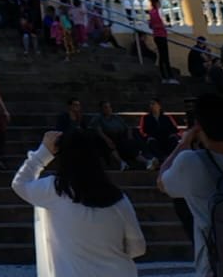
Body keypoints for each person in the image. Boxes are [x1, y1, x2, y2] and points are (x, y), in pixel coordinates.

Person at [12, 127, 145, 276]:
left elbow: (20, 183)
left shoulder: (53, 190)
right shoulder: (119, 199)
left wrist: (43, 153)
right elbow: (138, 248)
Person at [158, 91, 223, 277]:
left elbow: (161, 182)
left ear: (198, 127)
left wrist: (183, 143)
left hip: (213, 268)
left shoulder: (189, 163)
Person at [87, 100, 143, 170]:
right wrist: (107, 140)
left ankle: (147, 161)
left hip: (120, 137)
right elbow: (99, 131)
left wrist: (129, 137)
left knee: (130, 141)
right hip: (107, 138)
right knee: (108, 143)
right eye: (106, 107)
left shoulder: (116, 118)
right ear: (101, 109)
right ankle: (122, 163)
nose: (109, 109)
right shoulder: (98, 118)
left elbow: (127, 127)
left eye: (110, 107)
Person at [138, 99, 180, 165]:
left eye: (153, 104)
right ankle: (162, 158)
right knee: (151, 142)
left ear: (159, 106)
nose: (151, 106)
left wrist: (172, 134)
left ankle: (171, 158)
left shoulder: (166, 117)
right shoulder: (146, 118)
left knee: (173, 140)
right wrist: (148, 136)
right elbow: (142, 130)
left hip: (166, 138)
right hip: (154, 138)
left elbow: (174, 129)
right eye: (150, 104)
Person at [148, 0, 179, 83]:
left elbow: (150, 25)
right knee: (165, 56)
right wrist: (166, 25)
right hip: (161, 35)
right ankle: (169, 76)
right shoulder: (158, 11)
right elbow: (162, 23)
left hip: (156, 36)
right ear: (157, 3)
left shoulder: (151, 12)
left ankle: (164, 76)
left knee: (162, 57)